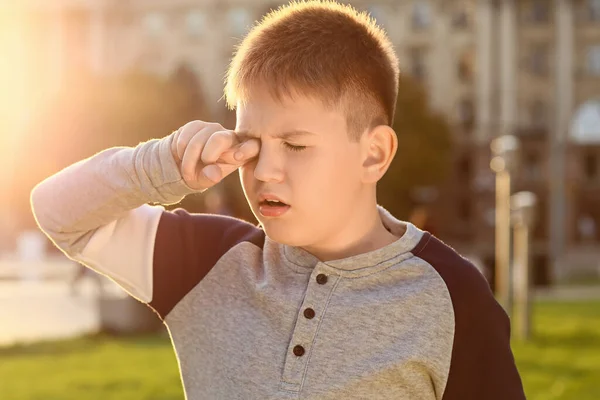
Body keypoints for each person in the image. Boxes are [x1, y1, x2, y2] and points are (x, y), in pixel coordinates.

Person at [30, 1, 526, 399]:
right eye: (251, 143)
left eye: (295, 145)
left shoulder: (452, 297)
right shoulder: (207, 261)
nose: (264, 169)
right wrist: (166, 161)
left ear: (373, 155)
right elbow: (58, 210)